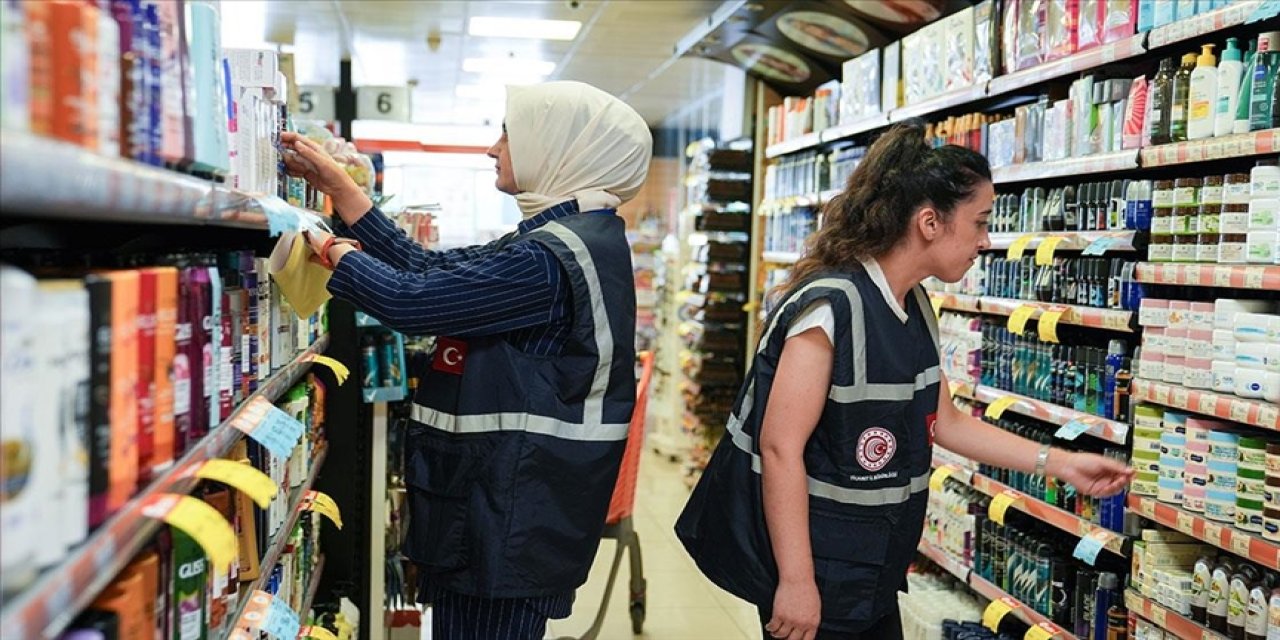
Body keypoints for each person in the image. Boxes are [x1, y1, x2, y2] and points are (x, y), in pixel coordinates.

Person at [675, 124, 1134, 640]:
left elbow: (949, 423)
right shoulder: (831, 308)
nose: (987, 240)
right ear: (930, 222)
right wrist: (797, 581)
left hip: (873, 572)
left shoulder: (915, 305)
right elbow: (780, 448)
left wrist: (1062, 463)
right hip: (818, 571)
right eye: (980, 222)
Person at [280, 81, 653, 640]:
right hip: (509, 506)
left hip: (505, 517)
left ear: (560, 146)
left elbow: (416, 301)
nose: (493, 147)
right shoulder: (567, 239)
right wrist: (347, 197)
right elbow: (432, 271)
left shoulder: (552, 259)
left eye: (508, 133)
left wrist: (334, 253)